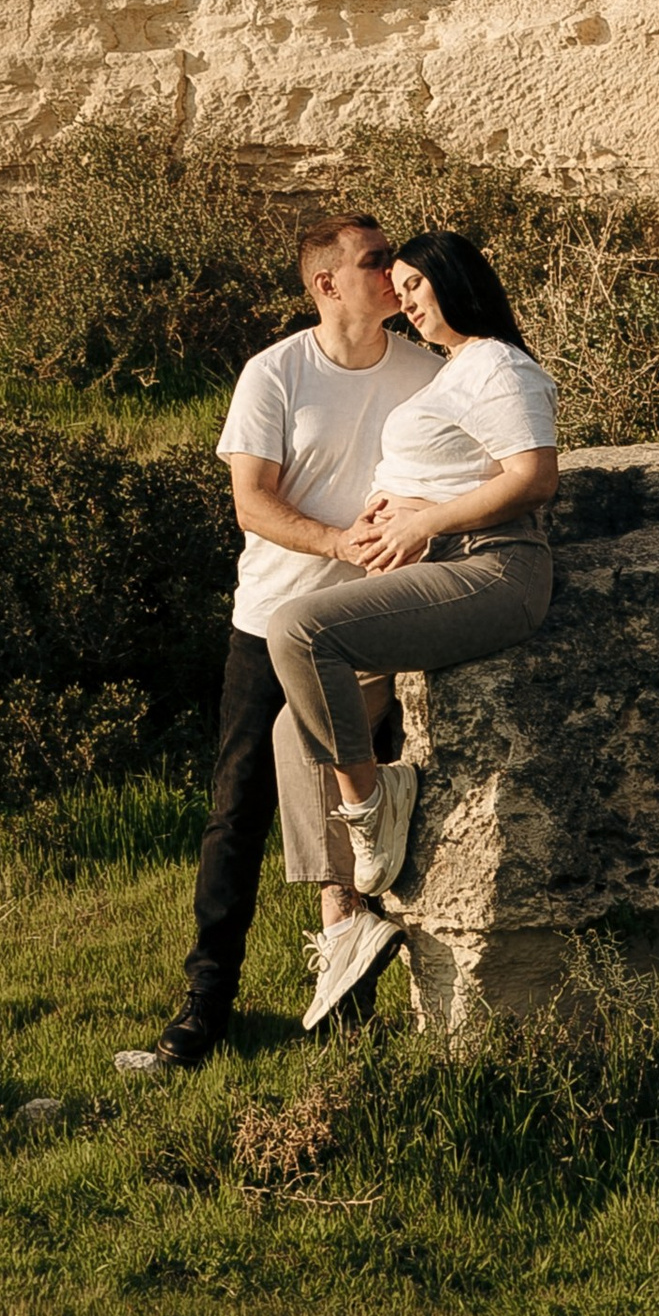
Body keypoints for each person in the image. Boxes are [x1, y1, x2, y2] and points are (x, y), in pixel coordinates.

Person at [114, 215, 439, 1077]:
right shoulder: (276, 373)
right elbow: (251, 503)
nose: (392, 276)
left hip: (379, 624)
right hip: (271, 625)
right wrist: (339, 542)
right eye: (375, 263)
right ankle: (205, 1005)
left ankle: (353, 995)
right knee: (238, 813)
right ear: (326, 284)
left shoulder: (426, 370)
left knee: (369, 806)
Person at [270, 226, 558, 1031]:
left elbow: (534, 475)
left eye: (418, 285)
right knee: (293, 731)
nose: (406, 299)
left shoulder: (499, 363)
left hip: (494, 569)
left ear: (457, 283)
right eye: (396, 283)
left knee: (301, 632)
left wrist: (424, 518)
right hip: (436, 564)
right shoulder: (454, 369)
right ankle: (346, 923)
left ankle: (376, 801)